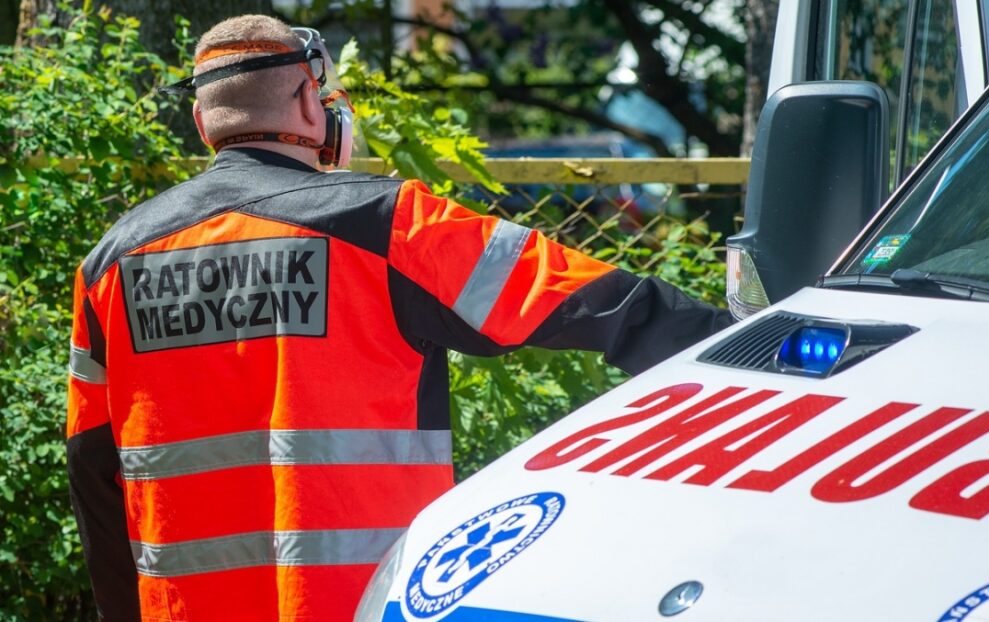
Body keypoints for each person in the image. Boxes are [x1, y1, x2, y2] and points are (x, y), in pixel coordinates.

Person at [65, 14, 732, 621]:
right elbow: (600, 301)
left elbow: (92, 469)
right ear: (308, 102)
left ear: (203, 123)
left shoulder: (109, 266)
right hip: (365, 604)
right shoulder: (385, 223)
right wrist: (757, 352)